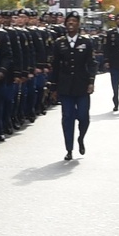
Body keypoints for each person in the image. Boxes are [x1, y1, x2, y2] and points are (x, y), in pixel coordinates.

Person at [49, 11, 96, 161]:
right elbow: (55, 66)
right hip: (65, 87)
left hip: (82, 86)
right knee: (67, 118)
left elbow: (91, 63)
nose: (71, 23)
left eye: (74, 21)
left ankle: (81, 138)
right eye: (69, 21)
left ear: (78, 24)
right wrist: (53, 88)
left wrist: (91, 82)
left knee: (83, 117)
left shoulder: (86, 42)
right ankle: (69, 149)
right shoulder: (59, 43)